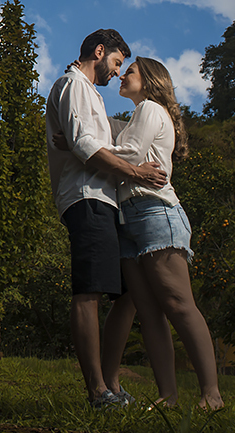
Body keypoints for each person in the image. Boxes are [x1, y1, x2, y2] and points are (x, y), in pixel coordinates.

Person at [46, 30, 168, 409]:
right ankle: (98, 391)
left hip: (106, 201)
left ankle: (111, 382)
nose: (117, 73)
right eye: (116, 63)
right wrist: (136, 173)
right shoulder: (73, 84)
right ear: (99, 52)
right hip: (86, 199)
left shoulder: (91, 94)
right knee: (89, 291)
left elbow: (108, 140)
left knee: (128, 293)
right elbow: (86, 146)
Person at [100, 57, 223, 410]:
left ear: (151, 81)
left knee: (178, 304)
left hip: (155, 212)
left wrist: (85, 149)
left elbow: (131, 154)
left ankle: (211, 394)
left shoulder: (150, 109)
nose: (123, 75)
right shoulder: (137, 115)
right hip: (129, 219)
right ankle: (168, 397)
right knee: (149, 313)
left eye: (131, 71)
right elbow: (128, 159)